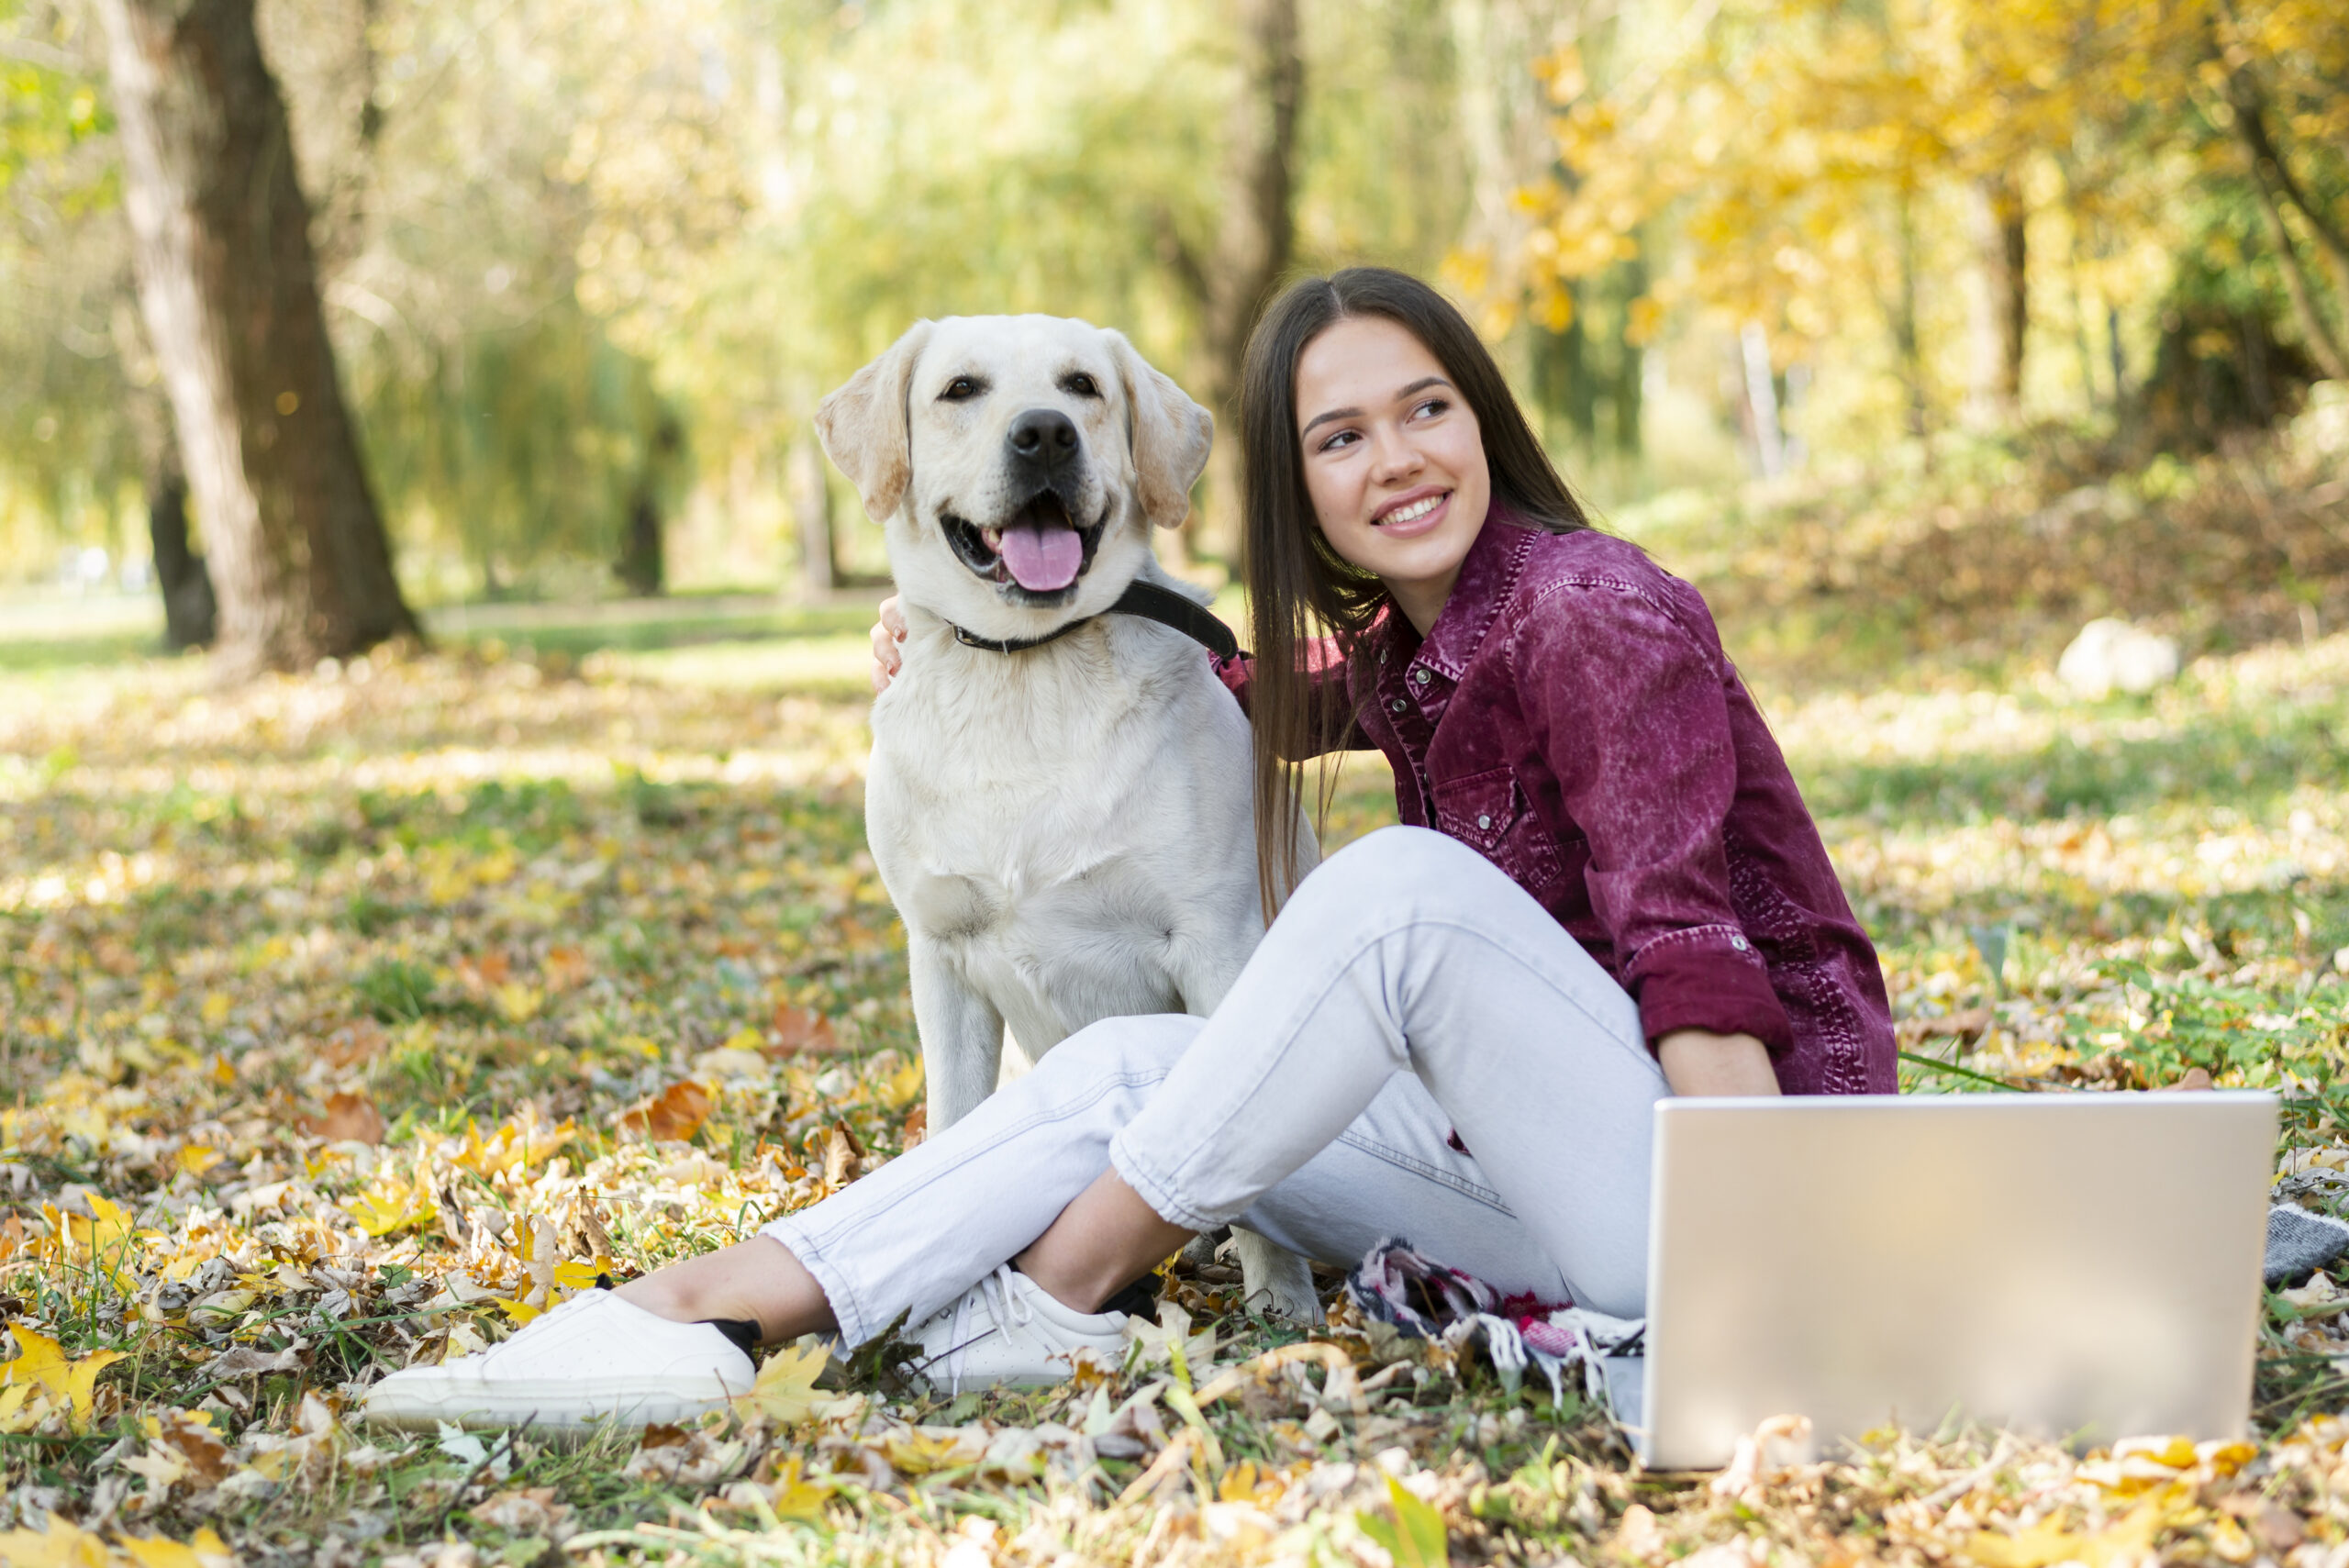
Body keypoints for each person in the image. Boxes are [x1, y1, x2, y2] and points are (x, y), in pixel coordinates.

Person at [362, 268, 1896, 1429]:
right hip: (1540, 1190)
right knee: (1122, 1065)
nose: (1397, 460)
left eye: (1430, 409)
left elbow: (1697, 960)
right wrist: (962, 635)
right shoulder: (1414, 652)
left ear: (1487, 417)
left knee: (1395, 891)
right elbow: (1245, 693)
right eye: (1340, 435)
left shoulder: (1591, 610)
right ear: (1298, 488)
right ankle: (707, 1315)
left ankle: (1058, 1286)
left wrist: (1754, 1275)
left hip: (1729, 1189)